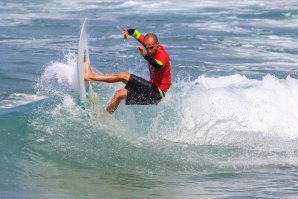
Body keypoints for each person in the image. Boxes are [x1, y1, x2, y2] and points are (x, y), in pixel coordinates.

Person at [85, 28, 172, 113]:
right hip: (152, 92)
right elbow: (136, 33)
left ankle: (91, 76)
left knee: (123, 76)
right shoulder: (149, 43)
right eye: (147, 48)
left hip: (157, 93)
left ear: (158, 44)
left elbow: (159, 65)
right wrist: (127, 32)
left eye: (151, 48)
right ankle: (104, 117)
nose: (149, 51)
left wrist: (145, 56)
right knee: (119, 94)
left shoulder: (162, 54)